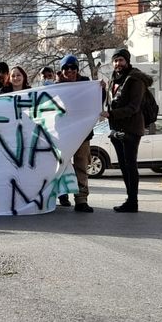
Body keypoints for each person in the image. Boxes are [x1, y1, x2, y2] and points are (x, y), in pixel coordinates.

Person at [102, 48, 153, 213]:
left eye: (121, 60)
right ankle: (130, 199)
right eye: (115, 61)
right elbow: (112, 101)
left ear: (127, 61)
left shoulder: (135, 80)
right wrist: (103, 90)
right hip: (116, 129)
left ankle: (133, 201)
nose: (118, 64)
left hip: (131, 129)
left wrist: (111, 114)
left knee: (130, 165)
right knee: (124, 166)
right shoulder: (114, 79)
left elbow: (133, 107)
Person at [56, 54, 98, 213]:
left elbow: (95, 104)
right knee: (59, 165)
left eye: (73, 67)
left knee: (81, 166)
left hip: (83, 134)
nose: (69, 71)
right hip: (63, 134)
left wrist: (99, 87)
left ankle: (81, 199)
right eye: (66, 68)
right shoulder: (57, 86)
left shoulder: (87, 84)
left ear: (77, 69)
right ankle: (60, 195)